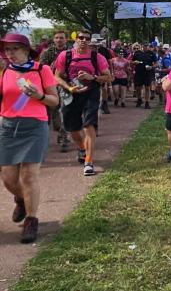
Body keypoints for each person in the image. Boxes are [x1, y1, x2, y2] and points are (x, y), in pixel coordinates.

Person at [0, 33, 60, 243]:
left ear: (26, 50)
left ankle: (31, 221)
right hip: (8, 128)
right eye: (7, 50)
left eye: (14, 49)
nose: (10, 54)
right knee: (8, 179)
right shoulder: (4, 71)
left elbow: (54, 101)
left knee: (29, 176)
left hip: (35, 127)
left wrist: (39, 96)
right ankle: (21, 200)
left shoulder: (41, 70)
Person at [53, 29, 112, 176]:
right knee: (72, 128)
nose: (84, 40)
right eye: (81, 37)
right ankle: (81, 148)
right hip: (71, 94)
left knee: (88, 125)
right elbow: (57, 77)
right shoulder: (65, 56)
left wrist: (92, 77)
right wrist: (69, 87)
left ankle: (88, 161)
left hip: (91, 93)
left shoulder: (96, 57)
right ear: (76, 39)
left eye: (87, 38)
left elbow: (109, 77)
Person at [39, 30, 70, 151]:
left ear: (65, 39)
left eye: (61, 38)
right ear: (53, 39)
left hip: (65, 85)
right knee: (53, 113)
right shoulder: (47, 52)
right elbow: (41, 68)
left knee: (64, 111)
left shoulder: (71, 52)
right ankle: (58, 129)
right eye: (57, 38)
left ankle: (63, 138)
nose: (59, 40)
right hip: (50, 85)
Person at [131, 43, 157, 109]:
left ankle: (147, 102)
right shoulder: (137, 53)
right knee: (138, 88)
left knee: (147, 88)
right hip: (139, 73)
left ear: (148, 46)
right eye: (144, 46)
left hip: (147, 73)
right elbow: (131, 62)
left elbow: (156, 64)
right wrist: (134, 62)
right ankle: (139, 99)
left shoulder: (152, 53)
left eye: (147, 46)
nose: (145, 47)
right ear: (142, 46)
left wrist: (151, 67)